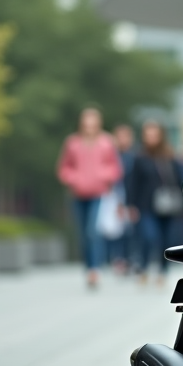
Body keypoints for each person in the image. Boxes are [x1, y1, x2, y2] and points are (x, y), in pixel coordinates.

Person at [57, 107, 122, 289]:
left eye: (93, 124)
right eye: (86, 124)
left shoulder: (107, 142)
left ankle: (95, 269)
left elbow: (115, 168)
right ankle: (88, 267)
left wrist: (104, 175)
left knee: (92, 231)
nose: (89, 128)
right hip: (77, 193)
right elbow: (64, 168)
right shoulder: (72, 143)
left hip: (98, 193)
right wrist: (73, 178)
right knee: (82, 234)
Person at [127, 120, 183, 287]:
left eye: (154, 135)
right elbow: (133, 182)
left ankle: (162, 270)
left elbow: (178, 179)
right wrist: (130, 204)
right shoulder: (140, 158)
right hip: (146, 206)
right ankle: (144, 267)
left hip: (168, 207)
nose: (151, 138)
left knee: (166, 240)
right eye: (148, 135)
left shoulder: (169, 156)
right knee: (149, 236)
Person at [107, 124, 138, 275]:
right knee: (117, 230)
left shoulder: (134, 157)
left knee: (131, 230)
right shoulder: (112, 157)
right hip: (116, 196)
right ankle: (118, 258)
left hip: (131, 197)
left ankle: (130, 258)